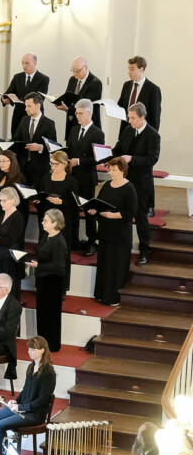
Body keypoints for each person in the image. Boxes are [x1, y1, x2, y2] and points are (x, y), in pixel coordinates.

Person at [0, 337, 57, 455]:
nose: (29, 351)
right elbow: (25, 390)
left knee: (0, 426)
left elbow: (41, 401)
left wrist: (21, 407)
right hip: (23, 408)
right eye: (28, 348)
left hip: (34, 414)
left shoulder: (48, 373)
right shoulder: (32, 366)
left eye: (32, 349)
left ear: (42, 350)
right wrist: (16, 401)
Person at [90, 158, 139, 305]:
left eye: (113, 170)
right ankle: (101, 295)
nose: (110, 172)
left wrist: (113, 215)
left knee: (115, 266)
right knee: (104, 264)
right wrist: (94, 210)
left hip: (119, 235)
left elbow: (131, 212)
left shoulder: (129, 188)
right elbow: (99, 203)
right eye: (110, 169)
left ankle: (113, 297)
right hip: (106, 232)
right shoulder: (106, 185)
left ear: (122, 171)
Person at [114, 102, 158, 262]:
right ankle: (121, 246)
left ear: (142, 117)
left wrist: (132, 158)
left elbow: (152, 159)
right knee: (121, 213)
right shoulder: (127, 130)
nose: (129, 120)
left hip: (141, 183)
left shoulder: (153, 135)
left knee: (141, 218)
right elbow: (119, 148)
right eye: (128, 117)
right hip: (124, 180)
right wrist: (107, 155)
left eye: (132, 118)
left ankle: (144, 251)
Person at [66, 99, 105, 253]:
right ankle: (73, 240)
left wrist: (79, 161)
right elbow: (69, 149)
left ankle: (91, 241)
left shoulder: (97, 133)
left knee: (89, 211)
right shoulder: (74, 130)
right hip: (72, 177)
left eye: (80, 113)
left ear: (89, 113)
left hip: (86, 177)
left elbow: (98, 158)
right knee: (73, 211)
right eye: (76, 113)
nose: (77, 116)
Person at [29, 210, 69, 350]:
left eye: (45, 220)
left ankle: (51, 344)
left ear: (55, 223)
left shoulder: (59, 241)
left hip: (52, 283)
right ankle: (43, 342)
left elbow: (58, 266)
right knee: (42, 313)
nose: (42, 222)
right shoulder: (47, 236)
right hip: (43, 280)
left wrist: (38, 265)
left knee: (50, 315)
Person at [0, 52, 50, 135]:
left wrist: (15, 99)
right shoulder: (17, 77)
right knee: (16, 142)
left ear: (35, 63)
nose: (24, 66)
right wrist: (5, 99)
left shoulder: (43, 79)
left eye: (27, 63)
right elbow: (9, 92)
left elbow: (38, 99)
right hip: (18, 116)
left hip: (34, 116)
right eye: (22, 63)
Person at [15, 92, 59, 185]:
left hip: (40, 167)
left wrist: (40, 147)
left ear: (38, 105)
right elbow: (16, 139)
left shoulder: (49, 123)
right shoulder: (24, 120)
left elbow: (54, 146)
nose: (26, 109)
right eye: (25, 106)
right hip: (23, 166)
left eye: (29, 106)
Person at [115, 55, 162, 138]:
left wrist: (151, 138)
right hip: (125, 131)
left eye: (132, 69)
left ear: (141, 69)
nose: (129, 72)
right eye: (128, 68)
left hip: (143, 134)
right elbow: (121, 106)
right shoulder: (126, 85)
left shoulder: (153, 89)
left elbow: (155, 118)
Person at [60, 57, 103, 138]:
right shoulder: (72, 80)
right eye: (73, 70)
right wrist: (61, 102)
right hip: (72, 124)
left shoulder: (95, 83)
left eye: (77, 70)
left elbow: (86, 106)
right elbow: (68, 97)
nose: (75, 73)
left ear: (85, 67)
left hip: (88, 128)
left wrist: (68, 109)